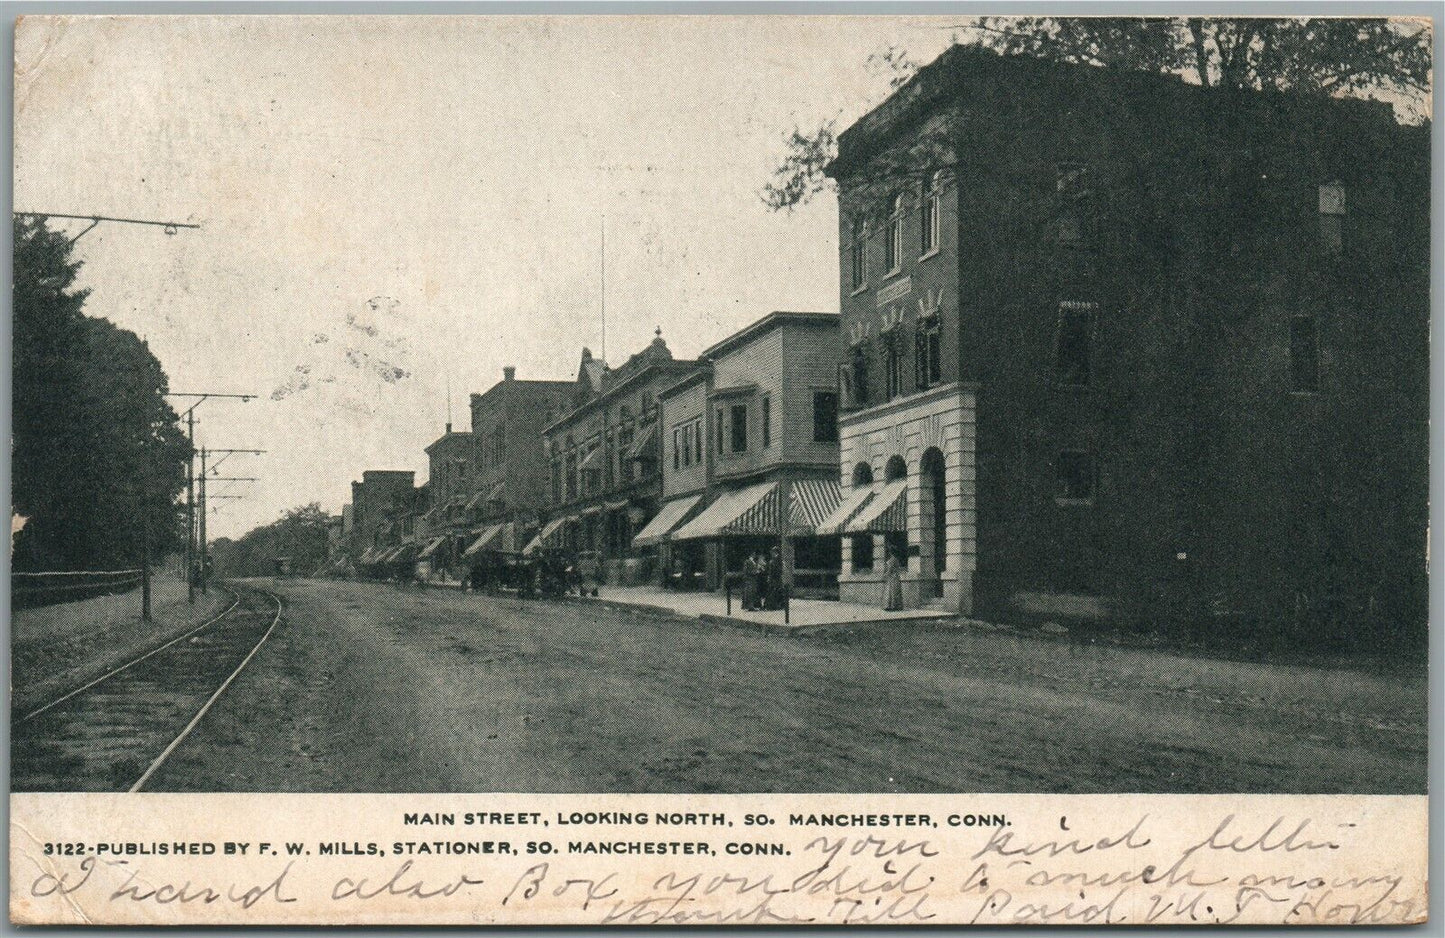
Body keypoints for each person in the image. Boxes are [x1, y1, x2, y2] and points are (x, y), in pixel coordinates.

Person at [765, 547, 783, 611]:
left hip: (775, 578)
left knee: (774, 592)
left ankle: (772, 606)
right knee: (774, 591)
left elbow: (775, 570)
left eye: (772, 552)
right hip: (775, 578)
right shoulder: (776, 560)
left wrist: (770, 577)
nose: (771, 553)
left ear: (775, 552)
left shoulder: (776, 560)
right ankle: (774, 605)